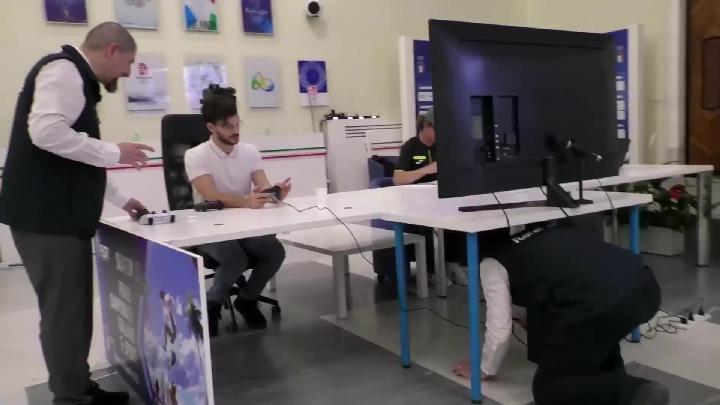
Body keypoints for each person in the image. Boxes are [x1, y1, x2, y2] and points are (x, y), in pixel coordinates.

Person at [0, 22, 154, 405]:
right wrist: (115, 152)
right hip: (48, 221)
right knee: (64, 314)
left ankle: (78, 387)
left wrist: (122, 199)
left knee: (74, 311)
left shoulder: (77, 79)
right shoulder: (64, 70)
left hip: (59, 220)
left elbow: (78, 158)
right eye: (128, 63)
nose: (127, 73)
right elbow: (46, 133)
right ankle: (70, 398)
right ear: (112, 49)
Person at [453, 223, 670, 405]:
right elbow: (561, 276)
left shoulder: (492, 264)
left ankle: (633, 392)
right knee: (594, 339)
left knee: (549, 388)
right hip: (645, 288)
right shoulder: (542, 231)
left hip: (604, 305)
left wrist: (484, 368)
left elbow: (500, 330)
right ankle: (616, 383)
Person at [184, 85, 290, 335]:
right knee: (235, 258)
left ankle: (247, 299)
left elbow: (261, 185)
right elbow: (211, 196)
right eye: (228, 127)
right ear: (211, 127)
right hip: (209, 226)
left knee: (274, 251)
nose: (235, 131)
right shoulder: (195, 155)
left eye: (237, 124)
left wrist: (274, 193)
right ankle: (211, 306)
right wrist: (247, 201)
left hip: (244, 225)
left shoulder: (249, 151)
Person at [393, 109, 437, 186]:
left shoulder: (444, 145)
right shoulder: (410, 146)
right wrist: (427, 170)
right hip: (416, 191)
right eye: (436, 128)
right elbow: (398, 179)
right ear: (425, 125)